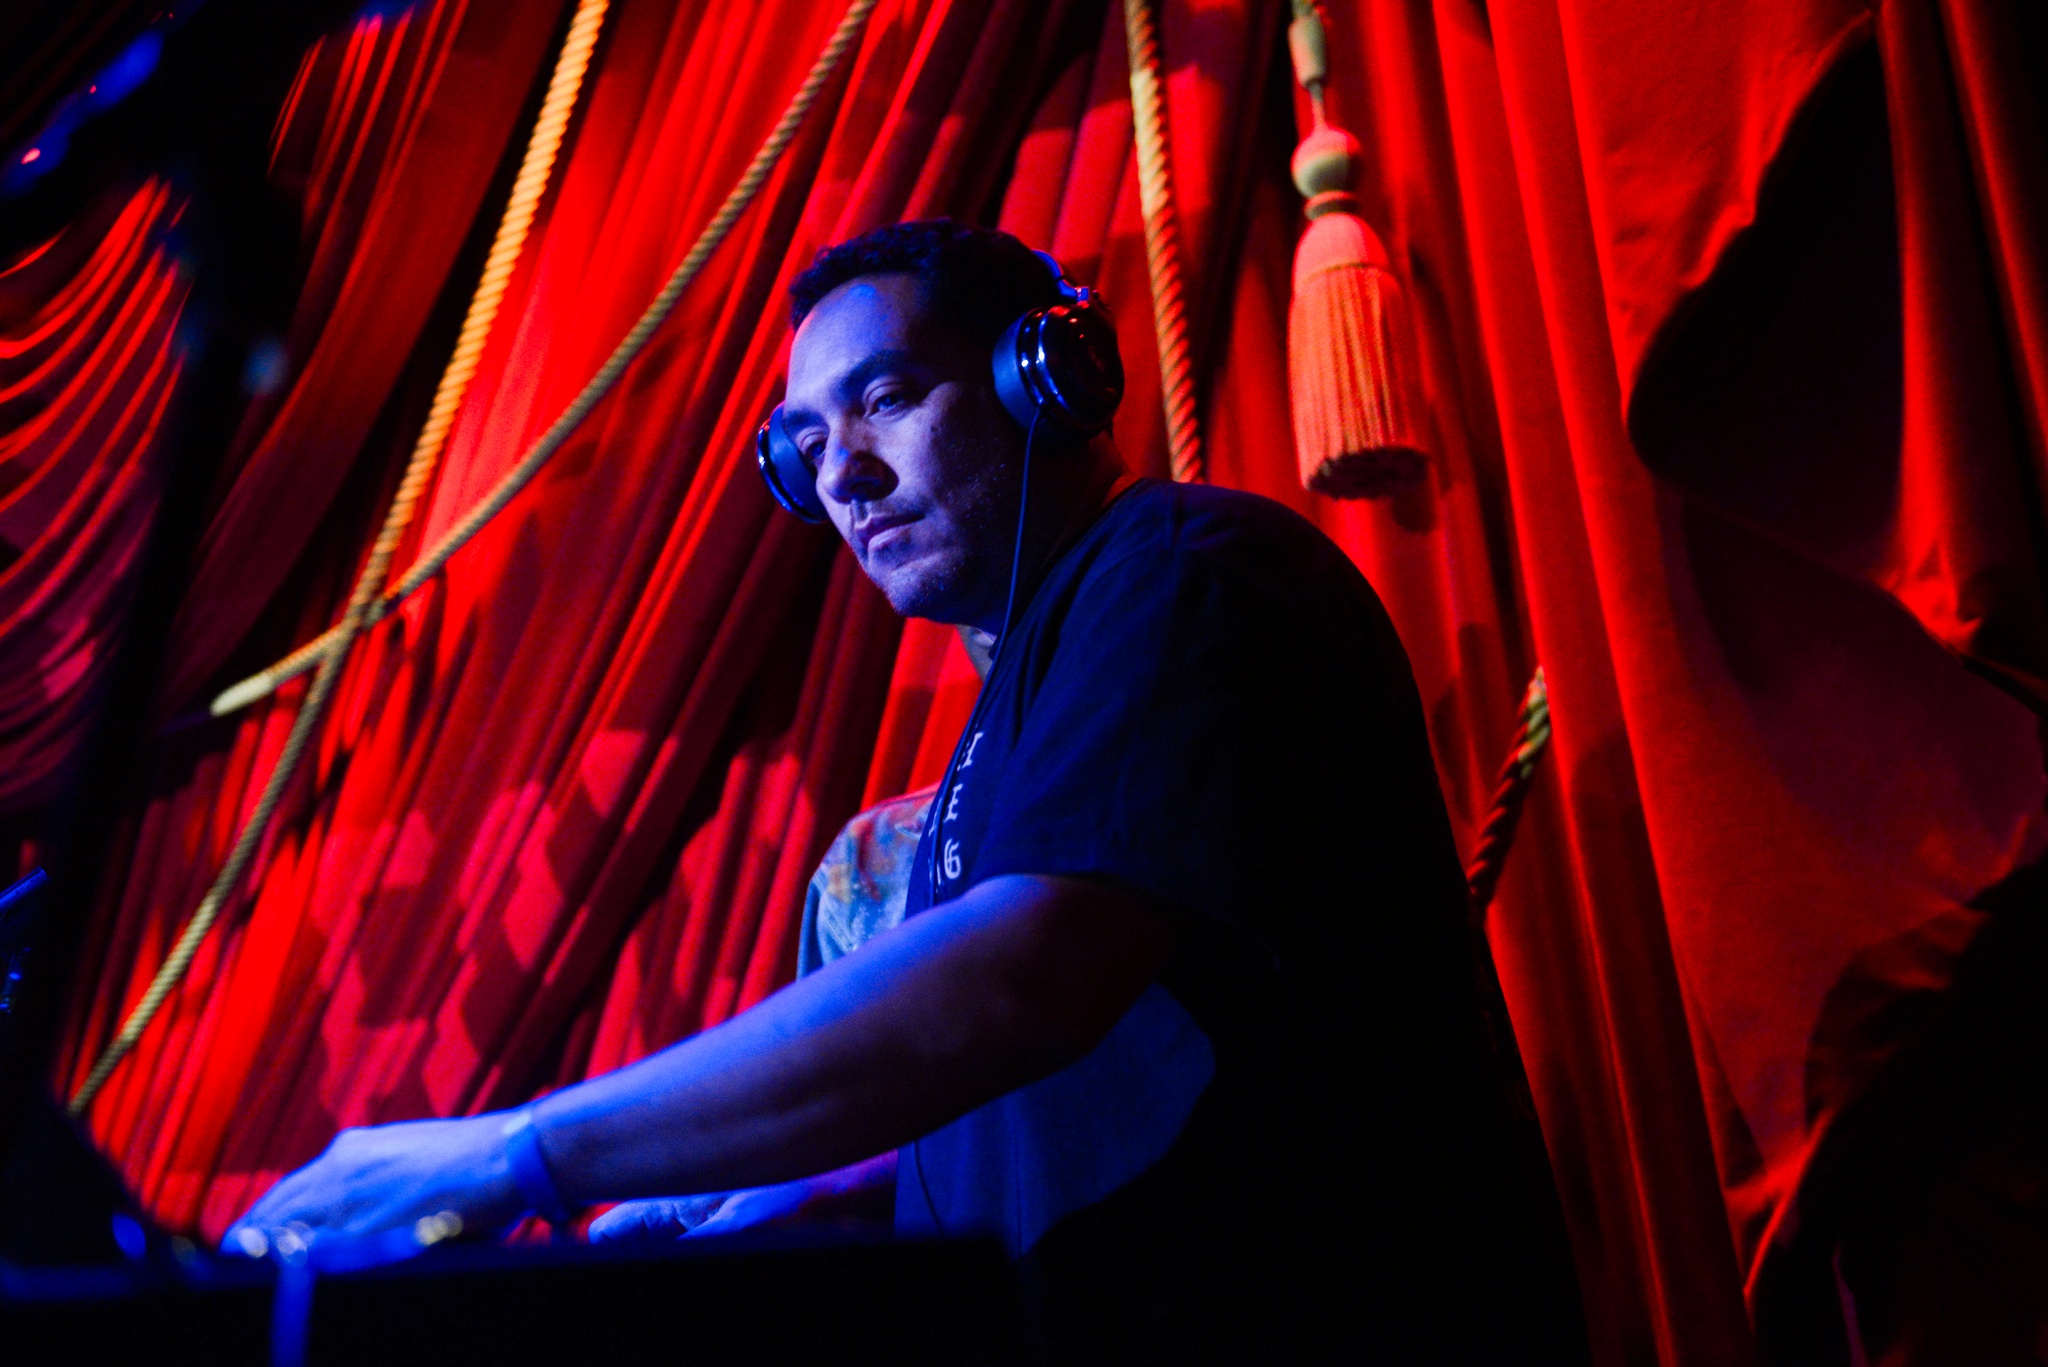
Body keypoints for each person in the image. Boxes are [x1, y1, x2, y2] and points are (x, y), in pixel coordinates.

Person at [230, 220, 1582, 1361]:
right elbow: (1078, 1089)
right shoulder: (989, 768)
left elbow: (1023, 977)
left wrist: (519, 1153)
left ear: (1043, 374)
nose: (844, 473)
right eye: (807, 443)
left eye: (883, 399)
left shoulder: (1185, 571)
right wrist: (779, 1182)